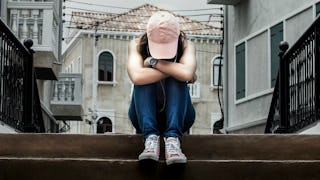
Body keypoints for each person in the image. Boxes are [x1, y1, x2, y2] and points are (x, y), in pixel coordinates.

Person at [127, 11, 197, 165]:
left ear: (177, 36)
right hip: (142, 117)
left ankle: (172, 140)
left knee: (177, 79)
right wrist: (175, 70)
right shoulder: (137, 44)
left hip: (181, 117)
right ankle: (151, 140)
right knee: (143, 82)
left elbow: (185, 74)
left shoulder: (186, 45)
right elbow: (137, 76)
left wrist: (154, 63)